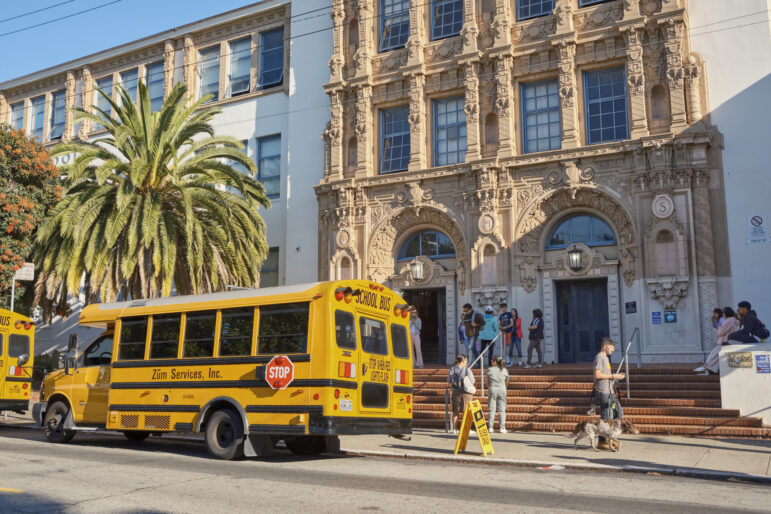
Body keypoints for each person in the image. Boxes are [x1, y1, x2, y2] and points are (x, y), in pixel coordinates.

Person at [593, 337, 625, 449]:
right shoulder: (599, 357)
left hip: (610, 391)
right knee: (606, 417)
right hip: (603, 392)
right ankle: (602, 441)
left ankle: (612, 437)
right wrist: (613, 376)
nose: (612, 351)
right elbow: (597, 375)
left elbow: (606, 375)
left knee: (618, 412)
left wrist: (615, 378)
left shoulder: (606, 358)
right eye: (611, 349)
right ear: (605, 347)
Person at [447, 354, 475, 435]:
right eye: (466, 360)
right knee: (466, 412)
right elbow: (472, 381)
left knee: (455, 411)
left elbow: (448, 380)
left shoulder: (452, 369)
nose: (466, 362)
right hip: (466, 393)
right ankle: (466, 429)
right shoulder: (467, 370)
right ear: (463, 361)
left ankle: (454, 429)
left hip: (455, 392)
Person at [693, 308, 726, 375]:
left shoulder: (722, 320)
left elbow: (723, 330)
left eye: (715, 313)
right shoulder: (719, 320)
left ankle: (704, 367)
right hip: (721, 340)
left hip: (723, 340)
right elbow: (714, 326)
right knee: (716, 355)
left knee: (713, 354)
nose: (714, 315)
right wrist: (713, 320)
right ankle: (707, 369)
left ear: (719, 313)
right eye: (714, 313)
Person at [486, 355, 510, 433]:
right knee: (502, 409)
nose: (491, 361)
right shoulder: (504, 370)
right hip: (502, 389)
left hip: (492, 389)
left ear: (495, 362)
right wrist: (504, 387)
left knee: (491, 409)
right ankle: (502, 427)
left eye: (492, 360)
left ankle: (490, 427)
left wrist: (490, 386)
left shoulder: (489, 370)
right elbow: (507, 381)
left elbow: (487, 382)